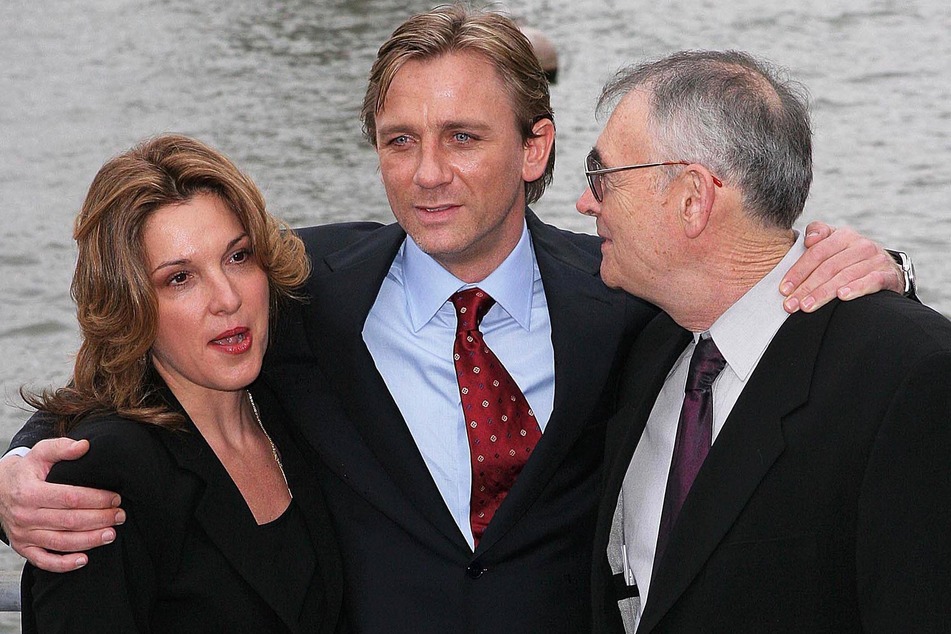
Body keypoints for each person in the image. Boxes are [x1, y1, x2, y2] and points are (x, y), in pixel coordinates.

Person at [1, 7, 909, 633]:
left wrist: (881, 272)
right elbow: (139, 357)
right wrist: (15, 478)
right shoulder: (295, 287)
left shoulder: (624, 297)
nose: (427, 172)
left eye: (463, 138)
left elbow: (755, 305)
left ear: (533, 148)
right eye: (401, 140)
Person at [583, 50, 951, 632]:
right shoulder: (644, 344)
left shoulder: (911, 378)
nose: (586, 202)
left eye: (601, 176)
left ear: (692, 198)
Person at [16, 134, 343, 632]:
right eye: (179, 279)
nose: (227, 298)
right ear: (130, 305)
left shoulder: (297, 403)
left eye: (238, 257)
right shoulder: (102, 478)